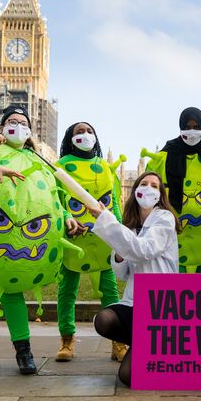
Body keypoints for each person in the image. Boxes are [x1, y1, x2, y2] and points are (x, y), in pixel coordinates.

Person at [0, 105, 73, 375]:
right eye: (11, 121)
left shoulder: (38, 159)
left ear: (30, 130)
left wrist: (65, 215)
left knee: (12, 291)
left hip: (18, 237)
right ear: (1, 127)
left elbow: (55, 197)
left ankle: (24, 351)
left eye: (22, 122)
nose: (17, 126)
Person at [89, 172, 180, 386]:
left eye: (154, 185)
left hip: (160, 305)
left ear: (160, 194)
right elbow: (122, 274)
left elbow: (144, 250)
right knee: (103, 320)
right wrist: (119, 255)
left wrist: (107, 221)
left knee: (128, 377)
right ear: (134, 190)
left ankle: (157, 343)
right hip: (134, 301)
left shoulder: (164, 219)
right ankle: (148, 342)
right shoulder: (129, 226)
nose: (148, 188)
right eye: (144, 183)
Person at [55, 121, 127, 363]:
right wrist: (67, 217)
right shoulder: (60, 166)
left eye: (89, 131)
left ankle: (118, 341)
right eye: (79, 132)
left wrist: (118, 231)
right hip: (73, 239)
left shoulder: (104, 167)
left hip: (102, 239)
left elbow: (113, 201)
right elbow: (55, 201)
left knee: (110, 291)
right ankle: (67, 339)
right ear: (70, 138)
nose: (85, 135)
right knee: (67, 291)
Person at [143, 107, 201, 273]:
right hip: (174, 231)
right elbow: (148, 186)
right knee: (176, 277)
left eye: (196, 127)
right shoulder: (162, 158)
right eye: (187, 127)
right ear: (180, 127)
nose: (192, 131)